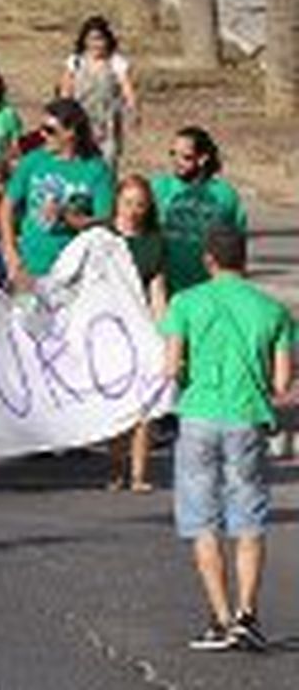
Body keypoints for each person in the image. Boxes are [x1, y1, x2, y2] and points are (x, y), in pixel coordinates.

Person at [161, 228, 293, 652]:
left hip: (199, 415)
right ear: (245, 260)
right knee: (248, 516)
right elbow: (282, 383)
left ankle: (220, 619)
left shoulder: (185, 302)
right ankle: (246, 615)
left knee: (203, 519)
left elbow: (170, 367)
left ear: (208, 260)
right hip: (247, 417)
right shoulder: (273, 310)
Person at [0, 99, 115, 284]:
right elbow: (7, 206)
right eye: (41, 128)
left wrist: (70, 218)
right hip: (29, 264)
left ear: (71, 132)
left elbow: (105, 220)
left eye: (50, 130)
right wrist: (11, 253)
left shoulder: (96, 170)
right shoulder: (33, 161)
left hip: (72, 269)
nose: (42, 135)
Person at [107, 174, 168, 494]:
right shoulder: (101, 237)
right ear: (117, 202)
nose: (133, 210)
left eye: (140, 205)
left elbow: (157, 291)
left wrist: (164, 334)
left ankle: (139, 473)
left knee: (144, 404)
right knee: (116, 404)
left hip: (140, 328)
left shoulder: (154, 242)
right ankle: (117, 469)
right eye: (128, 203)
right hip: (106, 330)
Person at [151, 126, 246, 295]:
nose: (177, 161)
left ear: (202, 158)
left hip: (210, 290)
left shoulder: (225, 194)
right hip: (167, 289)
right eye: (173, 154)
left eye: (185, 157)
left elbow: (237, 245)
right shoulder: (159, 187)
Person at [58, 15, 137, 167]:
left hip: (107, 122)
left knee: (106, 161)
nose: (96, 44)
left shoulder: (116, 62)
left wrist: (133, 110)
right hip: (80, 119)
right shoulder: (76, 61)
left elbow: (127, 89)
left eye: (100, 39)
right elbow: (65, 90)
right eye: (92, 39)